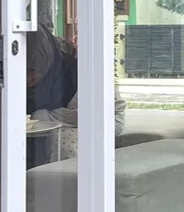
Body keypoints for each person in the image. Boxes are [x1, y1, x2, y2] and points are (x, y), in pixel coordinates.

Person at [27, 23, 125, 161]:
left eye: (32, 70)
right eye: (22, 71)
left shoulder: (77, 69)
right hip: (67, 117)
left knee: (63, 145)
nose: (27, 78)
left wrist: (38, 116)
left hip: (101, 117)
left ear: (45, 59)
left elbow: (91, 114)